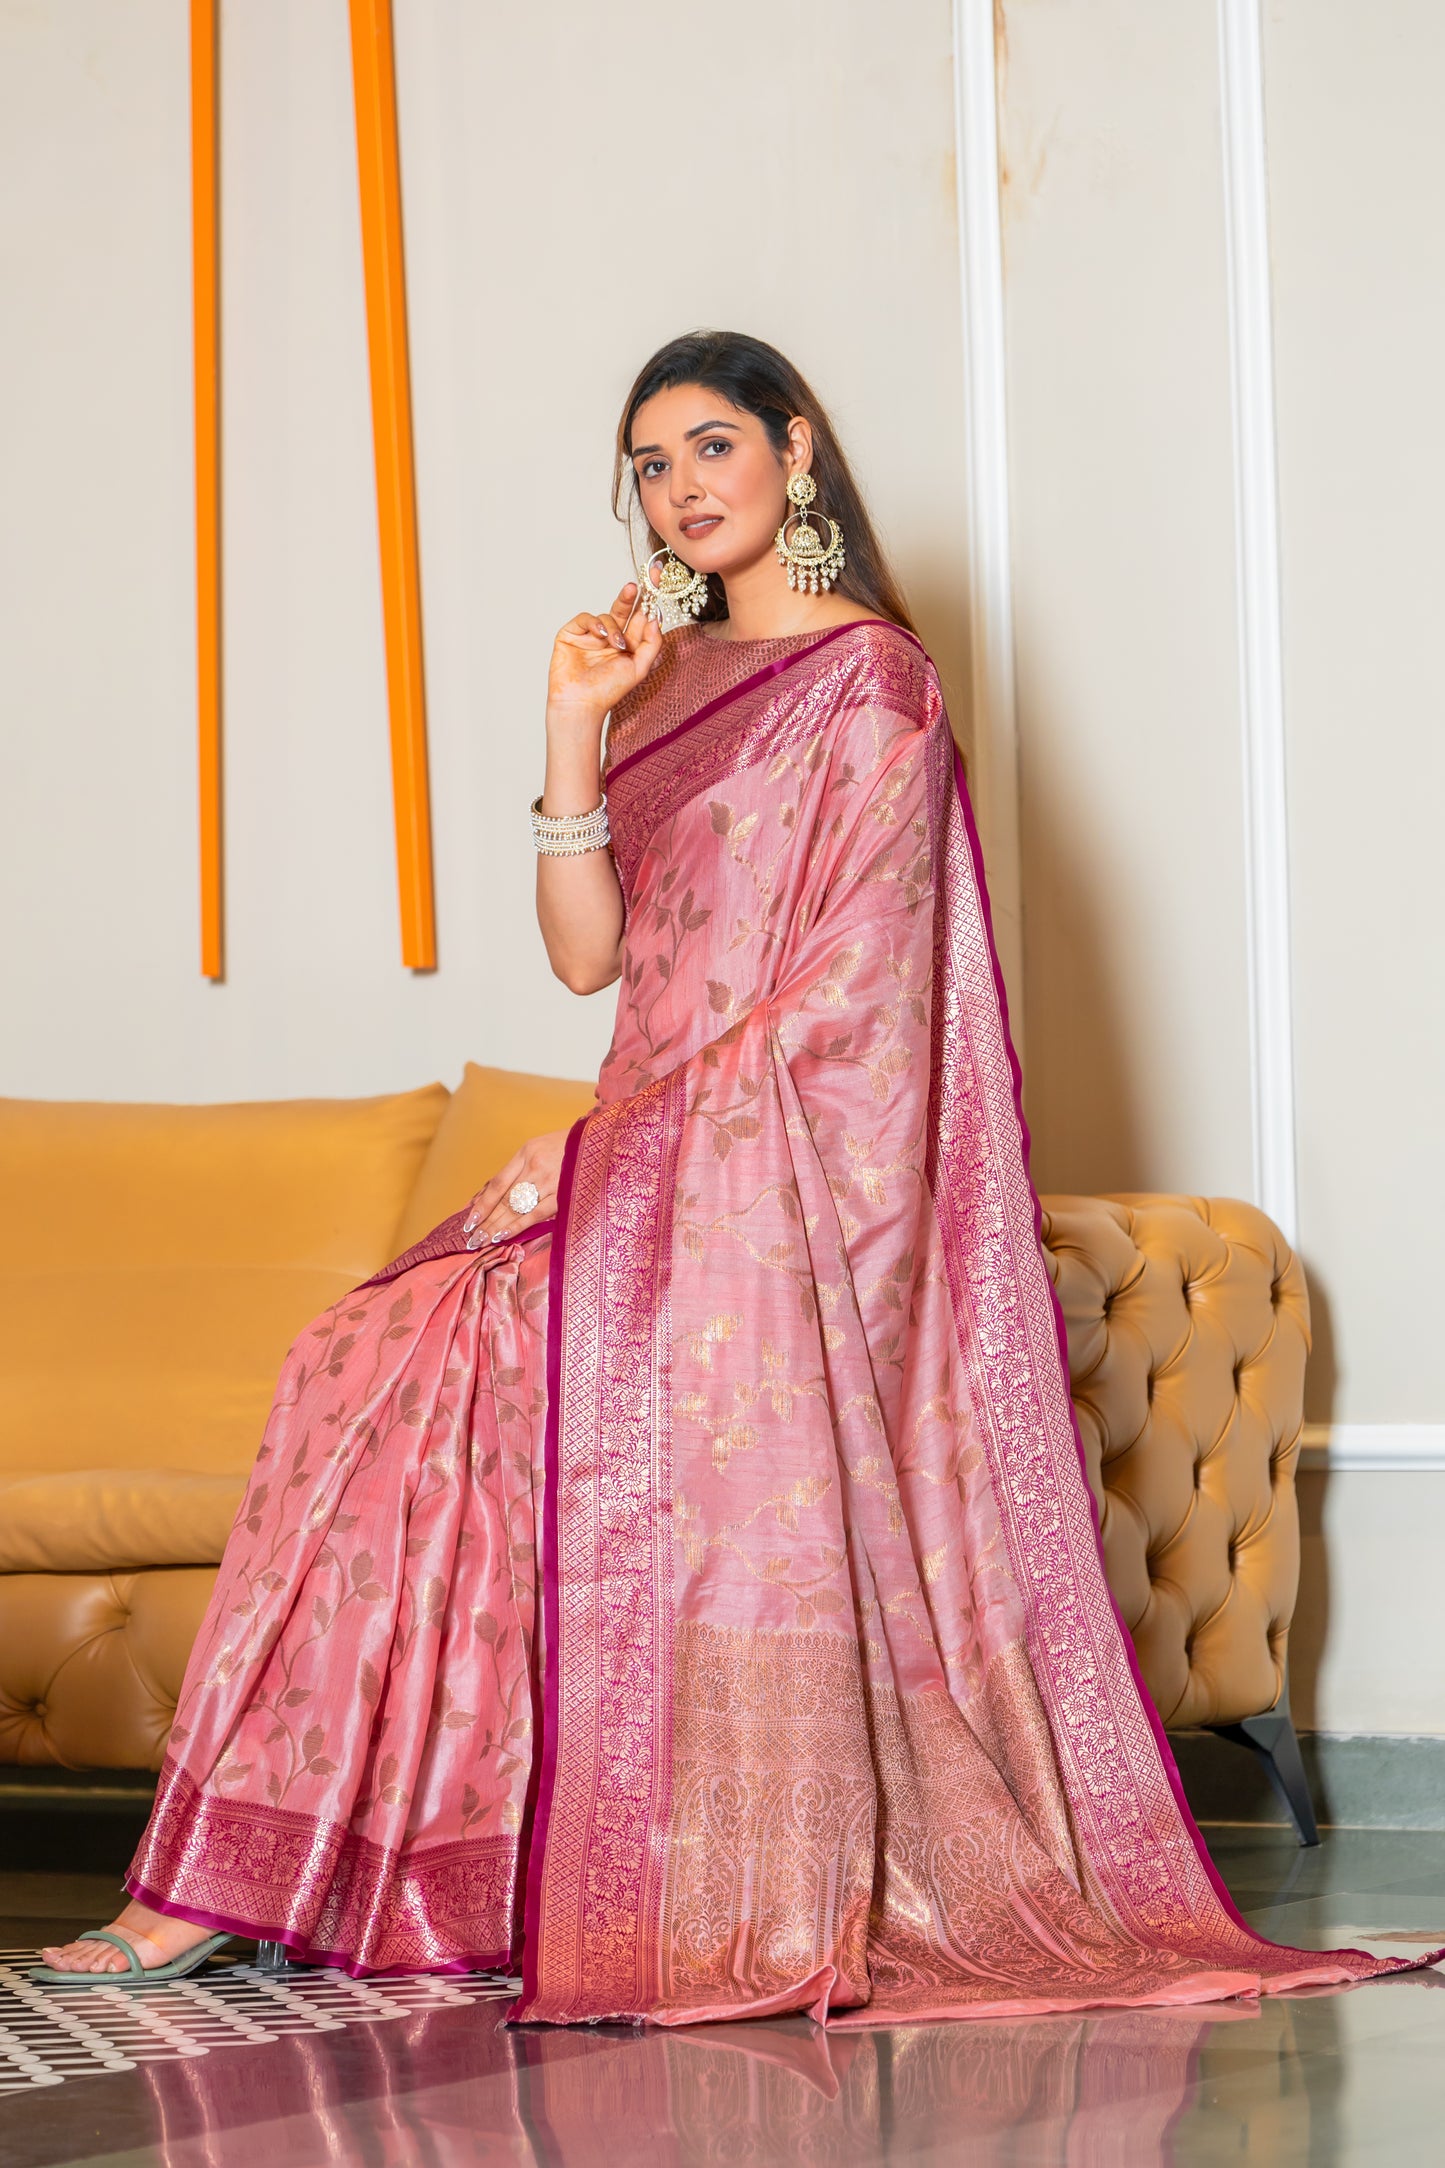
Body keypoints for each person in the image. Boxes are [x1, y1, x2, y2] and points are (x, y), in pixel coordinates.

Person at [34, 332, 1425, 2020]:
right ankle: (269, 1872)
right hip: (642, 1159)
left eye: (709, 446)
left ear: (794, 448)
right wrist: (571, 727)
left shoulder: (870, 684)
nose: (680, 489)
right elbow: (587, 959)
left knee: (450, 1358)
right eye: (649, 464)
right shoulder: (660, 681)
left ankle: (391, 1883)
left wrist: (619, 1156)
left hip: (755, 1196)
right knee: (358, 1355)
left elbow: (857, 1000)